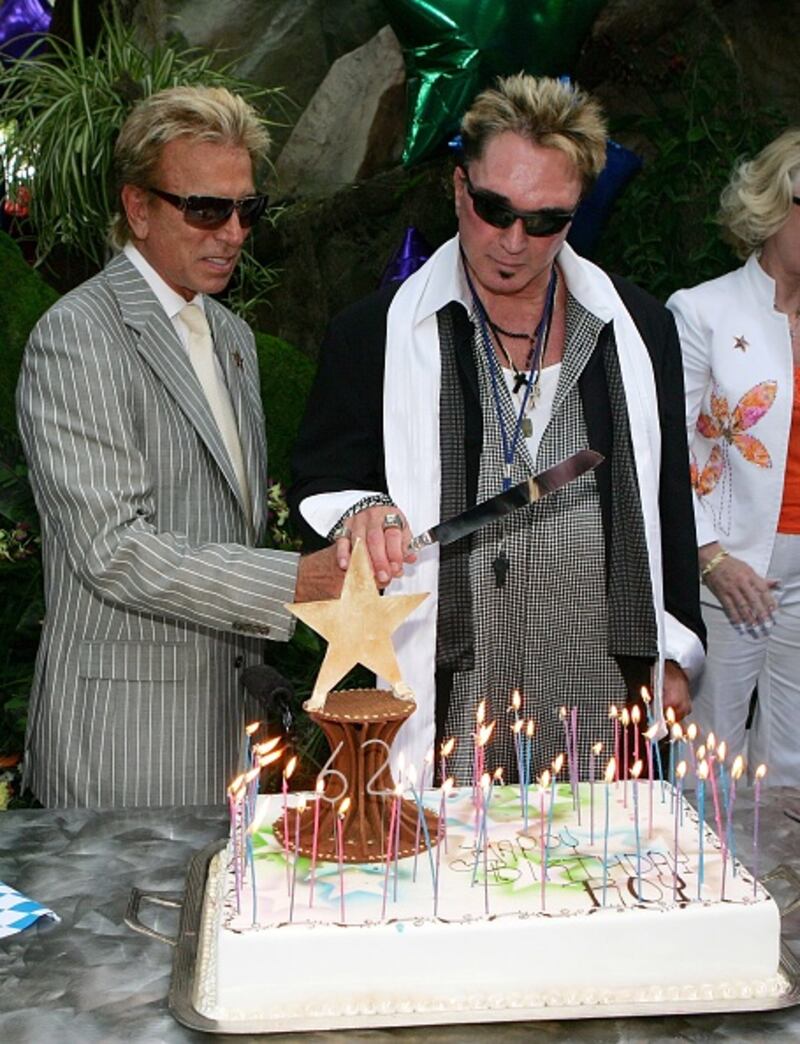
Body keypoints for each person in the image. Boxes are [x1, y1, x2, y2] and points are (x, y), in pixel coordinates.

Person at [289, 74, 705, 783]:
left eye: (545, 221)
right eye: (494, 210)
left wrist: (674, 651)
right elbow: (322, 478)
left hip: (599, 687)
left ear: (575, 214)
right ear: (459, 187)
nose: (514, 242)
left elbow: (667, 496)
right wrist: (365, 512)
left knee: (598, 854)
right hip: (448, 691)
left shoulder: (638, 329)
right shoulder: (372, 334)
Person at [16, 86, 342, 808]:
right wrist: (295, 581)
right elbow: (112, 548)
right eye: (206, 209)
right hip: (123, 749)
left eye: (247, 209)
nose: (234, 232)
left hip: (232, 740)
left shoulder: (232, 337)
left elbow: (228, 526)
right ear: (138, 208)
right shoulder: (79, 335)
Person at [668, 130, 800, 784]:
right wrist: (710, 558)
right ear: (773, 202)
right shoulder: (702, 312)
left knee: (793, 771)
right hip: (724, 572)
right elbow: (665, 454)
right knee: (706, 766)